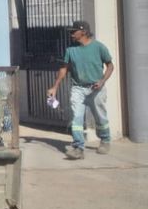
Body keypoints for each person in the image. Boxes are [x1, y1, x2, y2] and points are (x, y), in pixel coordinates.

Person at [47, 19, 114, 160]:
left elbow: (110, 66)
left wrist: (102, 81)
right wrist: (55, 87)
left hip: (96, 88)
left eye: (73, 31)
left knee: (100, 116)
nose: (71, 34)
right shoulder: (70, 50)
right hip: (78, 88)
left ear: (83, 32)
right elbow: (63, 69)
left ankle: (105, 140)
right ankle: (78, 147)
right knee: (76, 117)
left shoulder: (99, 47)